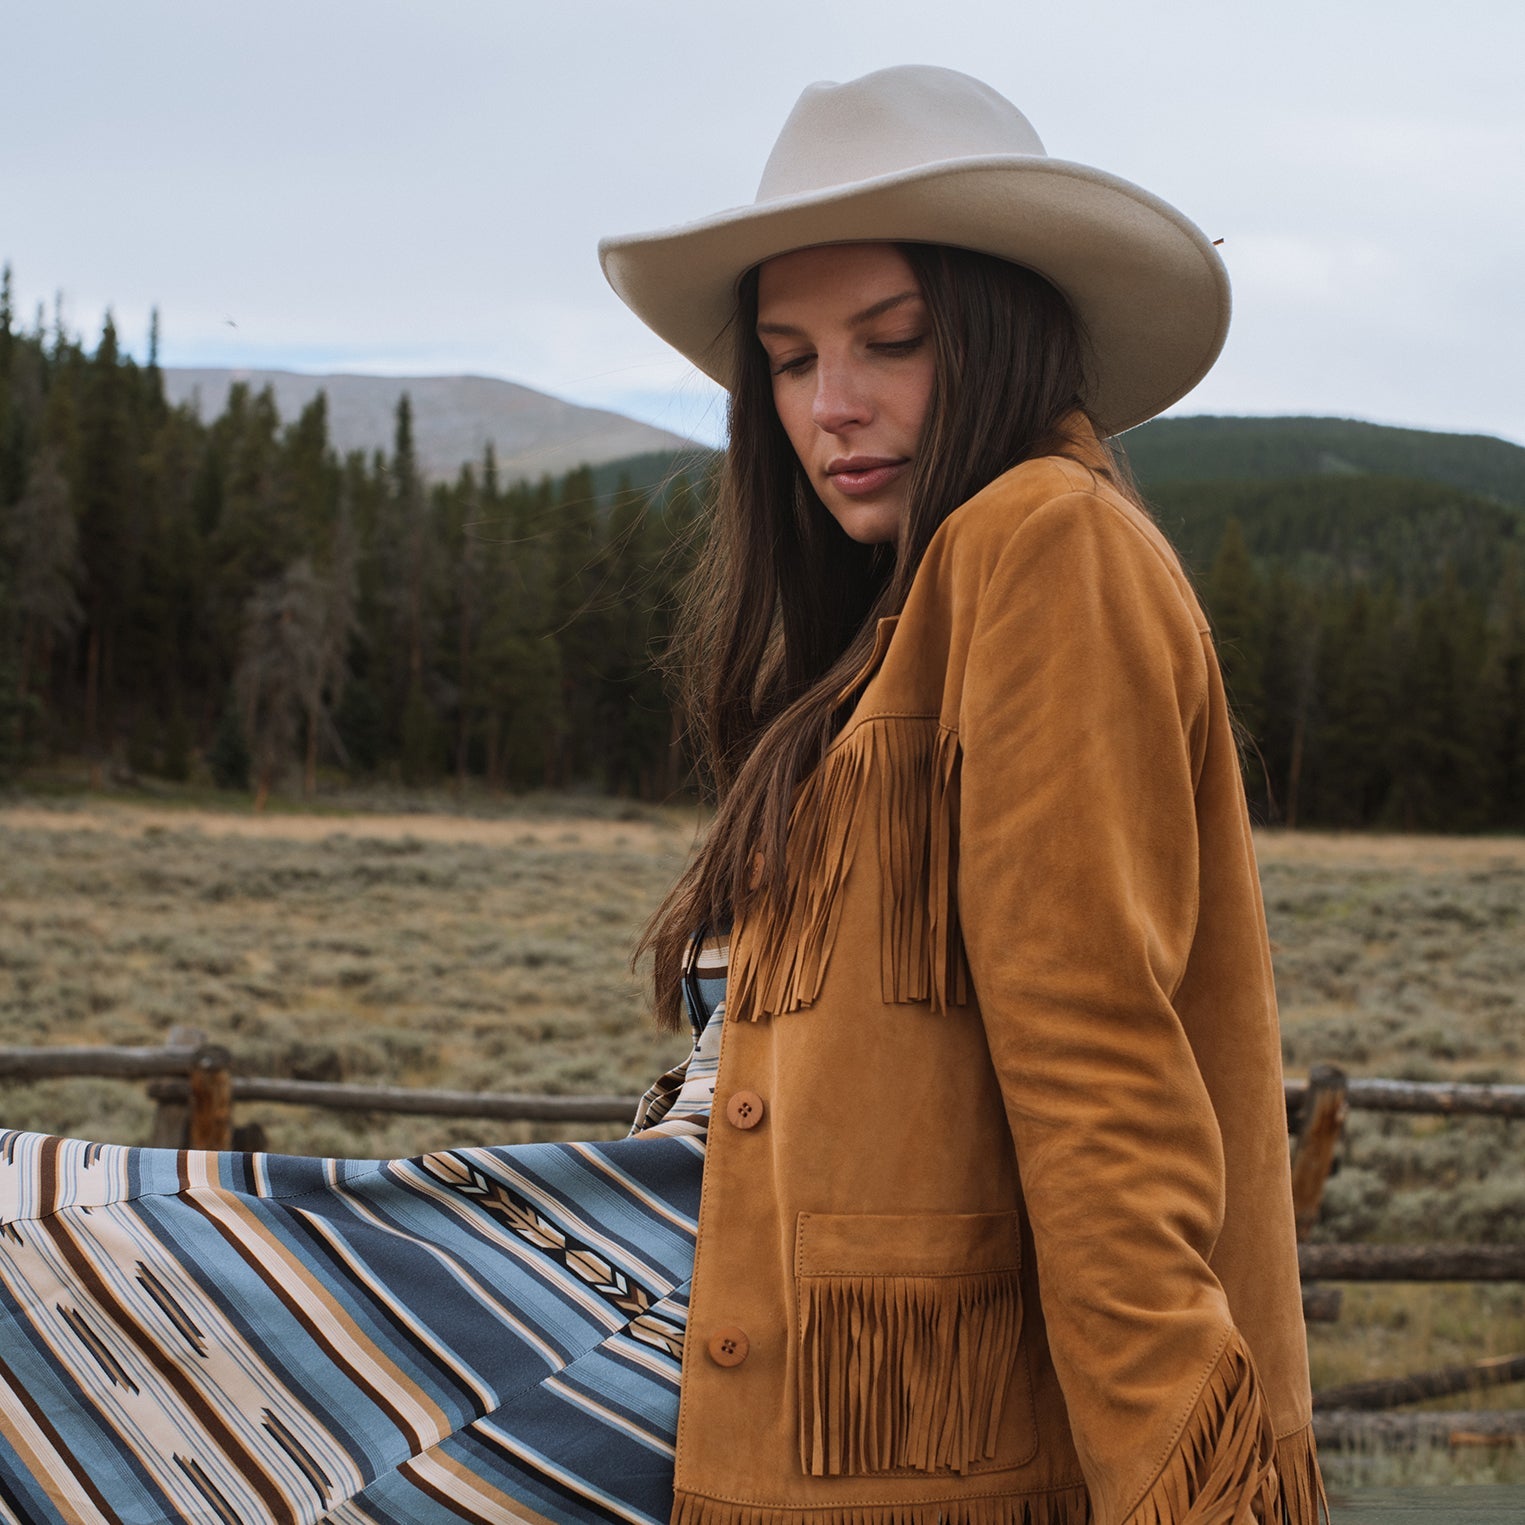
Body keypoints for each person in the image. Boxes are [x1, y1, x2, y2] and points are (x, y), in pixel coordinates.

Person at [0, 66, 1322, 1525]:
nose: (832, 405)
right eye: (788, 355)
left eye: (892, 340)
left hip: (883, 1443)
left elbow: (1096, 1093)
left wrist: (1201, 1505)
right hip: (723, 1348)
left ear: (1002, 325)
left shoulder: (1047, 544)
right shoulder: (902, 614)